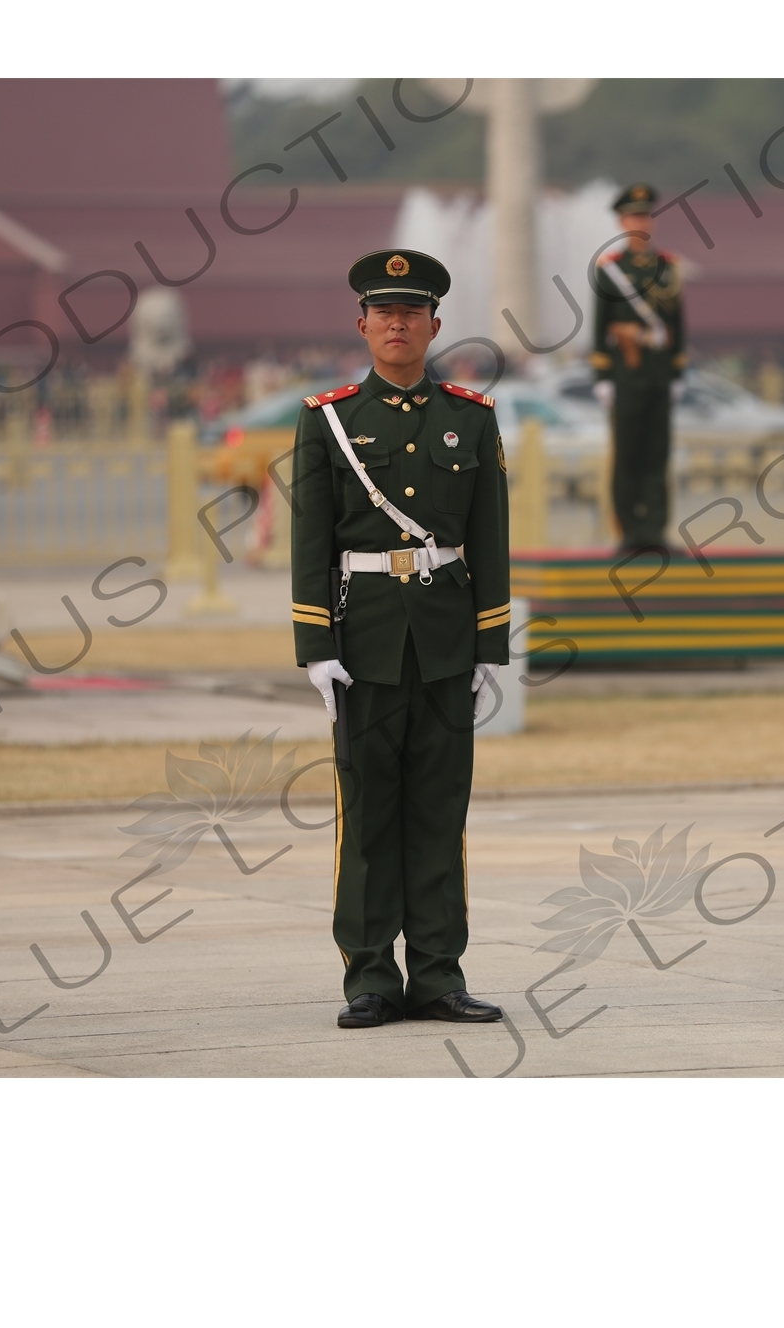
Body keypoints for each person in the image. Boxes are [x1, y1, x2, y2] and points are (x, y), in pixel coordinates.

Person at [289, 249, 511, 1028]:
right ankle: (372, 978)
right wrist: (316, 644)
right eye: (383, 312)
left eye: (411, 312)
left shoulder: (471, 417)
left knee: (440, 811)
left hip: (448, 638)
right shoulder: (329, 419)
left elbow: (490, 536)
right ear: (362, 325)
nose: (397, 323)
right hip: (366, 640)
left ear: (434, 325)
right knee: (370, 814)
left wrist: (491, 644)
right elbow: (310, 537)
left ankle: (440, 974)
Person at [590, 184, 687, 552]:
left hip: (659, 372)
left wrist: (677, 373)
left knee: (657, 453)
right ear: (622, 221)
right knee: (627, 453)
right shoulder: (610, 270)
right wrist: (602, 377)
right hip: (626, 373)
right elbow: (601, 326)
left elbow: (678, 326)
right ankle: (629, 530)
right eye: (633, 216)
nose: (640, 222)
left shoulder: (670, 267)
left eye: (646, 215)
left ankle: (655, 529)